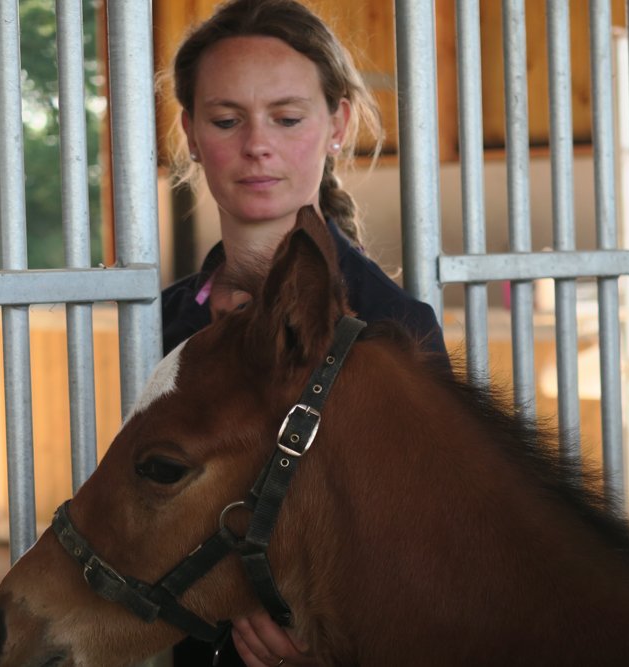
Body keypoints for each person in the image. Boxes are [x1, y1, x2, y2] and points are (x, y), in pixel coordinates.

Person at [159, 1, 450, 664]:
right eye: (226, 120)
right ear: (191, 133)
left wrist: (331, 654)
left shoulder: (397, 328)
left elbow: (426, 551)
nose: (256, 145)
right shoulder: (158, 321)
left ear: (337, 124)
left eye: (287, 118)